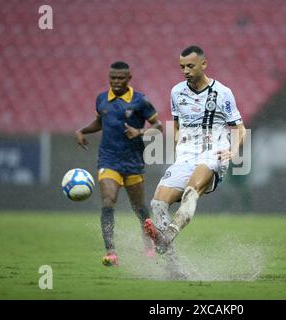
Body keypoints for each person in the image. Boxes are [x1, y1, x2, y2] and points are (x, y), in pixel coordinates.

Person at [143, 45, 246, 255]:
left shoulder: (223, 93)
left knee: (191, 192)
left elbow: (239, 128)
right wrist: (177, 151)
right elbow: (178, 125)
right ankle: (171, 264)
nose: (186, 71)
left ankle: (168, 235)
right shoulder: (177, 92)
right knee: (157, 204)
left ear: (204, 64)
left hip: (214, 151)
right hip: (186, 155)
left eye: (190, 66)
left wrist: (233, 151)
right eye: (182, 67)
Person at [75, 61, 163, 266]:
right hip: (108, 159)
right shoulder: (102, 99)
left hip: (133, 161)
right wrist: (82, 131)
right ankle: (111, 252)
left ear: (129, 78)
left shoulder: (140, 101)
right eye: (112, 78)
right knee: (108, 201)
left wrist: (139, 132)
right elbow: (100, 121)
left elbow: (158, 126)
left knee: (139, 208)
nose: (115, 82)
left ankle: (148, 243)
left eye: (120, 78)